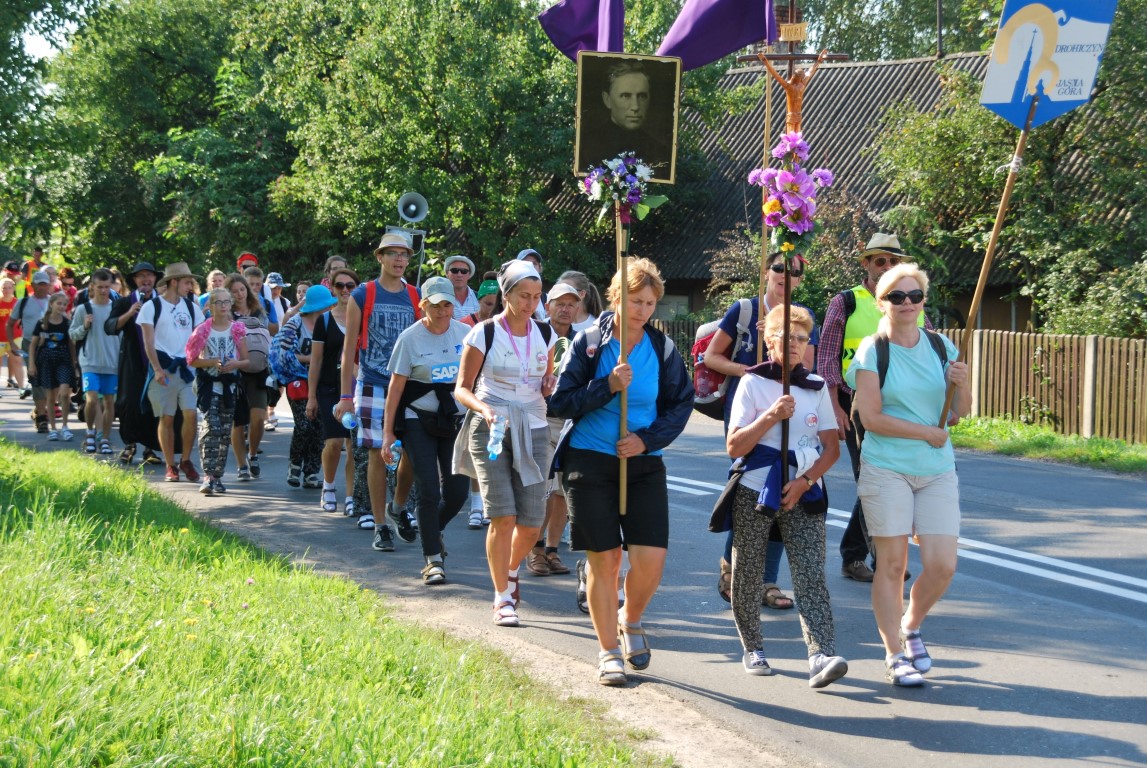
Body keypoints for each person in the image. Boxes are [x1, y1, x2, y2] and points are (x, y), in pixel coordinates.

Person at [548, 258, 693, 686]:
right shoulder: (590, 343)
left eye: (650, 303)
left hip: (642, 462)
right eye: (635, 301)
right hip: (589, 460)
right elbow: (560, 402)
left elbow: (681, 403)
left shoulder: (662, 349)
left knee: (651, 561)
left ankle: (630, 618)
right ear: (616, 298)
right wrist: (606, 386)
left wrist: (647, 439)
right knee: (607, 559)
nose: (643, 310)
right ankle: (609, 651)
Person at [847, 264, 970, 687]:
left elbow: (959, 413)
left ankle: (911, 625)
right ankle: (894, 654)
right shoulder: (872, 350)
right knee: (893, 564)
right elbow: (871, 418)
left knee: (943, 564)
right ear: (882, 302)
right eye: (897, 296)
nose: (907, 303)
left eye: (914, 295)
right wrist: (925, 433)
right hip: (887, 467)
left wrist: (961, 383)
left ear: (923, 301)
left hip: (936, 470)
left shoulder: (941, 346)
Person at [724, 304, 847, 686]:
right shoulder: (752, 382)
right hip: (755, 488)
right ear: (769, 340)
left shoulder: (816, 386)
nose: (794, 344)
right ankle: (753, 646)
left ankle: (820, 654)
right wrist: (771, 416)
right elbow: (735, 446)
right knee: (748, 569)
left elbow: (832, 449)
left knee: (810, 573)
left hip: (804, 490)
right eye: (786, 336)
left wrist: (805, 481)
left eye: (801, 338)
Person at [704, 252, 820, 608]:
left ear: (800, 279)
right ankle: (734, 566)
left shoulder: (802, 317)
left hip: (790, 409)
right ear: (767, 272)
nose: (786, 275)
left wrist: (785, 349)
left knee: (783, 491)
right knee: (749, 491)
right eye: (780, 268)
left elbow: (808, 367)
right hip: (748, 410)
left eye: (794, 271)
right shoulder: (744, 310)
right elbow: (712, 357)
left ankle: (768, 580)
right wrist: (754, 371)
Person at [817, 233, 929, 583]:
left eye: (893, 261)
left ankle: (856, 554)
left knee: (888, 480)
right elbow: (827, 359)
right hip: (856, 405)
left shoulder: (912, 301)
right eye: (880, 261)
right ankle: (882, 560)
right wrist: (834, 408)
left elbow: (931, 352)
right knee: (874, 481)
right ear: (865, 264)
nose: (887, 267)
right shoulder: (846, 302)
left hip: (903, 407)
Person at [453, 259, 557, 627]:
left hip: (535, 427)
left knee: (531, 522)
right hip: (492, 428)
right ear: (506, 294)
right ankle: (501, 597)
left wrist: (549, 384)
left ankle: (510, 570)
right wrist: (484, 409)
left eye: (536, 296)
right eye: (524, 295)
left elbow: (547, 380)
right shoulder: (484, 333)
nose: (531, 303)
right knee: (503, 515)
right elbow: (462, 388)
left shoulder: (546, 334)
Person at [334, 233, 422, 549]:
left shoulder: (415, 295)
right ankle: (380, 525)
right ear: (380, 257)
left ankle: (398, 507)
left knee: (410, 451)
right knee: (376, 452)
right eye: (393, 253)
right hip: (372, 383)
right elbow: (348, 349)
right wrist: (346, 397)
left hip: (408, 385)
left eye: (404, 254)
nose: (399, 260)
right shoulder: (363, 294)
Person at [383, 276, 471, 585]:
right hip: (416, 420)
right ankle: (433, 560)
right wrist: (388, 434)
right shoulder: (409, 339)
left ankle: (432, 529)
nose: (443, 311)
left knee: (458, 493)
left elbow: (478, 378)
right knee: (429, 490)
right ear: (423, 306)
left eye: (448, 304)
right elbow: (395, 388)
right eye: (436, 306)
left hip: (454, 421)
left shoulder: (466, 334)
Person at [526, 282, 581, 577]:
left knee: (563, 491)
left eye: (571, 304)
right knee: (543, 489)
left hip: (569, 422)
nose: (565, 309)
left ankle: (552, 550)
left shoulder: (583, 341)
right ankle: (533, 549)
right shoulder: (534, 334)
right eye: (560, 303)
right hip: (540, 418)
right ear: (547, 306)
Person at [139, 262, 205, 482]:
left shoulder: (192, 307)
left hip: (187, 369)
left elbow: (200, 337)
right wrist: (157, 369)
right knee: (166, 417)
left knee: (191, 414)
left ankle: (185, 460)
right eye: (187, 282)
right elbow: (148, 342)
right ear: (174, 282)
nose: (190, 286)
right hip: (164, 368)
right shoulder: (152, 306)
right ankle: (170, 465)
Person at [186, 288, 249, 495]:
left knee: (224, 431)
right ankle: (207, 475)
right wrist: (213, 362)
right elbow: (192, 359)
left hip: (229, 386)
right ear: (211, 306)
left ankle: (217, 477)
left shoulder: (237, 329)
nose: (223, 306)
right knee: (210, 426)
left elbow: (246, 360)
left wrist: (234, 364)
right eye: (218, 302)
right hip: (209, 385)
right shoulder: (203, 330)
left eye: (226, 302)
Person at [307, 270, 360, 516]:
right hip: (329, 388)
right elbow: (316, 361)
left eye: (350, 285)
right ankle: (328, 486)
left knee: (353, 444)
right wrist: (311, 397)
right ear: (333, 289)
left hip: (356, 389)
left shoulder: (363, 318)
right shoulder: (325, 321)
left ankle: (350, 496)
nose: (345, 290)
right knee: (334, 441)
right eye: (340, 286)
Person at [105, 261, 164, 465]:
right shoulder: (124, 302)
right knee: (129, 403)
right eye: (141, 276)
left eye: (149, 275)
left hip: (157, 361)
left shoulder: (162, 302)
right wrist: (130, 313)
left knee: (154, 403)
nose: (146, 279)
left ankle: (150, 448)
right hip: (132, 360)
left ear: (155, 279)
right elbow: (110, 327)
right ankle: (129, 445)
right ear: (135, 280)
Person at [274, 283, 328, 490]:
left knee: (319, 428)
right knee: (304, 424)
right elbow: (284, 354)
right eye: (325, 305)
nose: (328, 308)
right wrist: (313, 358)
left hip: (322, 381)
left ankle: (311, 472)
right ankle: (295, 464)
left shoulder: (329, 323)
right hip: (297, 379)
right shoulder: (295, 324)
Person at [579, 60, 671, 173]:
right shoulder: (586, 146)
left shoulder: (660, 151)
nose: (635, 106)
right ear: (607, 99)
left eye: (642, 96)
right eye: (626, 96)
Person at [69, 268, 122, 455]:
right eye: (100, 287)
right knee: (91, 399)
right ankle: (90, 432)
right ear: (92, 286)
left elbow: (123, 336)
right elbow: (72, 334)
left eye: (107, 287)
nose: (104, 290)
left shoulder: (116, 309)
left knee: (109, 402)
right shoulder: (84, 309)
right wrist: (84, 326)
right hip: (89, 362)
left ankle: (105, 439)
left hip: (112, 363)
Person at [225, 272, 272, 480]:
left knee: (258, 417)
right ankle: (241, 465)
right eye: (234, 291)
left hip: (258, 371)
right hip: (235, 371)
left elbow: (267, 338)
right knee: (238, 421)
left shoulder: (258, 312)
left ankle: (252, 453)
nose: (239, 294)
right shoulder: (226, 313)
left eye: (242, 289)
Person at [27, 291, 77, 441]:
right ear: (51, 304)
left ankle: (65, 426)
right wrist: (31, 364)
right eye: (58, 303)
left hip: (63, 360)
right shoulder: (42, 323)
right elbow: (33, 344)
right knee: (50, 396)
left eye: (64, 304)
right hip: (46, 361)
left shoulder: (67, 323)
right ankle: (53, 429)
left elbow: (71, 345)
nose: (61, 306)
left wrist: (74, 364)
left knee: (64, 393)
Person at [7, 270, 53, 430]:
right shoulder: (23, 302)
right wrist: (12, 344)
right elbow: (10, 324)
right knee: (36, 378)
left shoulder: (54, 301)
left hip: (50, 344)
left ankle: (38, 410)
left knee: (49, 381)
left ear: (49, 285)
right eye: (39, 284)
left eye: (45, 284)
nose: (42, 287)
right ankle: (41, 418)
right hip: (29, 344)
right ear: (32, 285)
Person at [1, 276, 25, 391]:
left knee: (17, 361)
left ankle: (22, 389)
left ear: (13, 289)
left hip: (15, 337)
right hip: (0, 337)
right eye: (4, 288)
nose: (6, 290)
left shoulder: (18, 303)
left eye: (9, 288)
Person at [443, 255, 479, 320]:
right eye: (454, 270)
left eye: (464, 271)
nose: (459, 275)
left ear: (469, 274)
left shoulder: (479, 298)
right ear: (447, 273)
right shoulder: (441, 299)